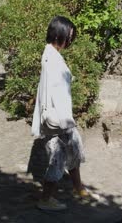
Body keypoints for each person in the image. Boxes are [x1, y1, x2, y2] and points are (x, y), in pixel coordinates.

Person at [31, 16, 89, 211]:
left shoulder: (52, 54)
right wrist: (66, 122)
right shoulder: (52, 58)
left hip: (63, 119)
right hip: (59, 121)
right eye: (69, 34)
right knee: (57, 160)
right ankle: (46, 200)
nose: (71, 39)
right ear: (60, 33)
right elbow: (55, 92)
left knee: (74, 152)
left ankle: (78, 188)